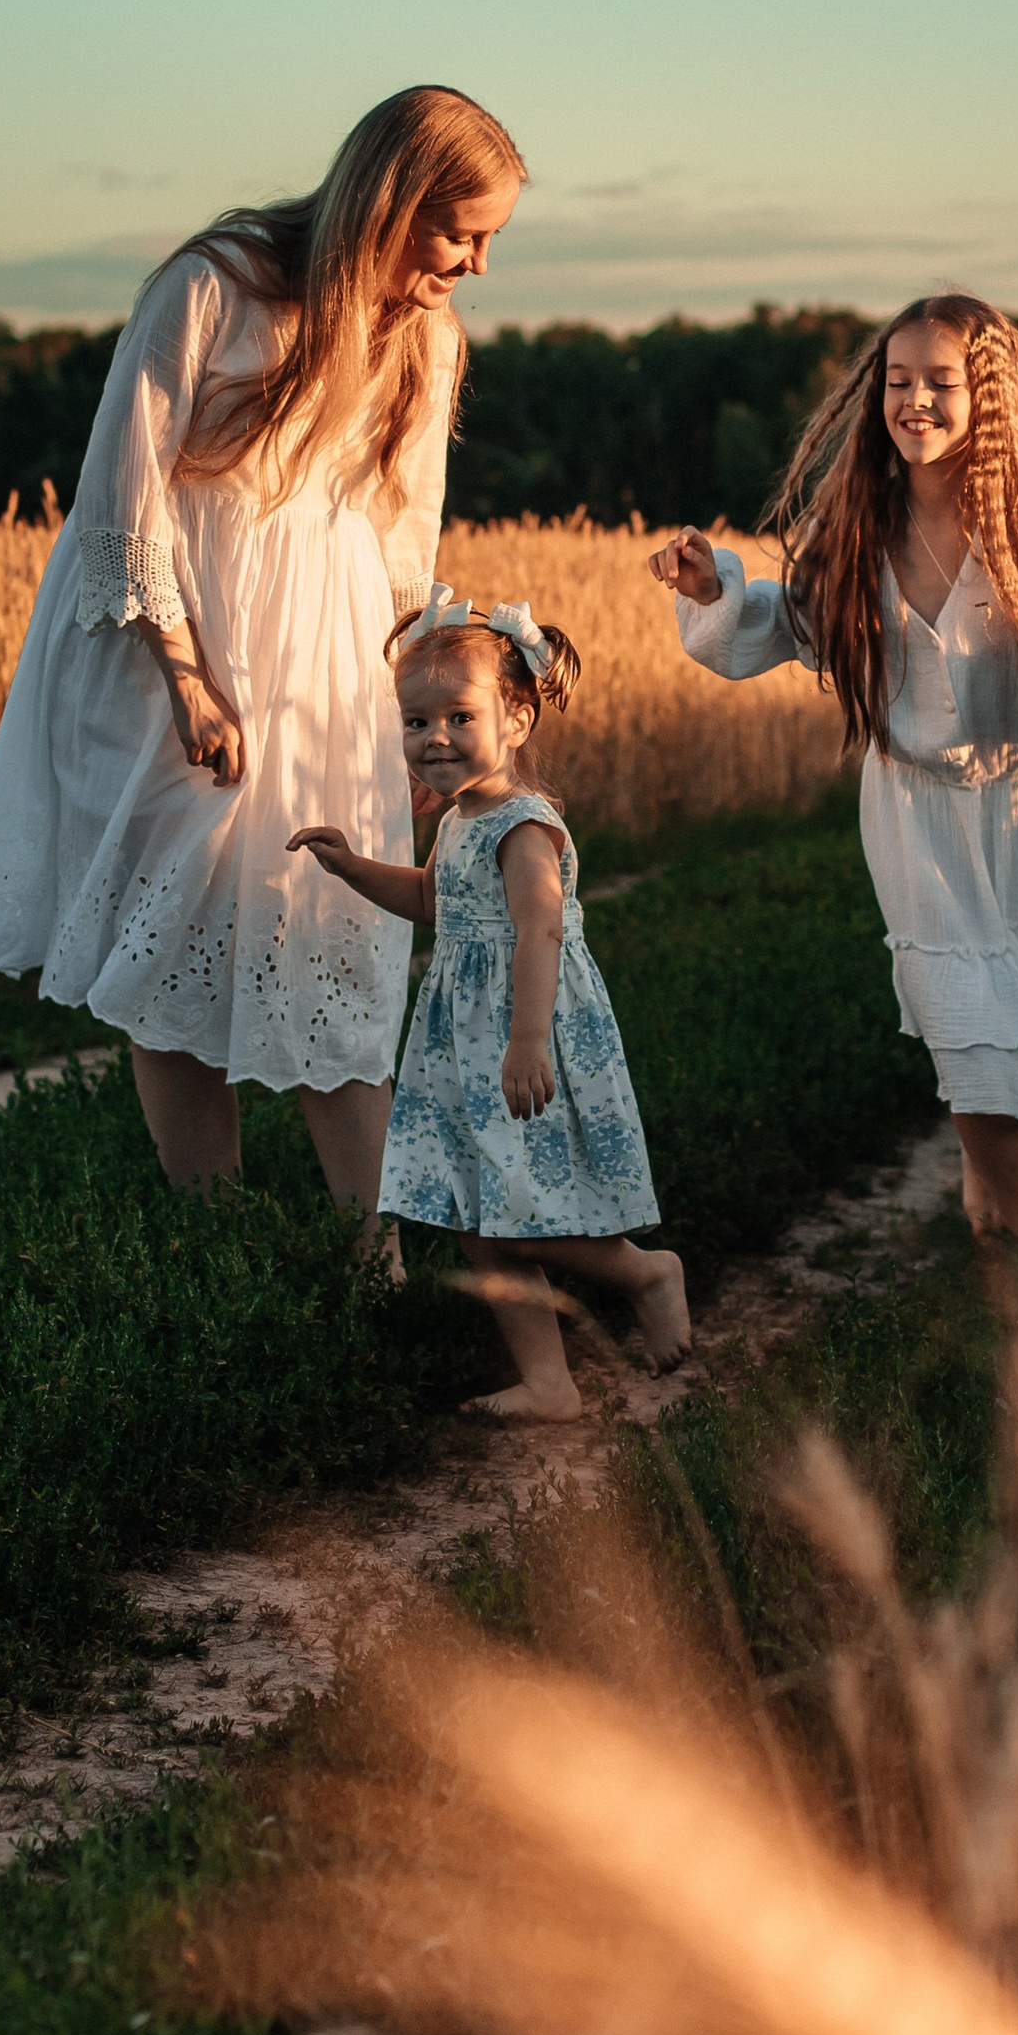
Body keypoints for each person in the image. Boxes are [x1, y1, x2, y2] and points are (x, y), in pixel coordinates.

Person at [0, 86, 523, 1227]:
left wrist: (409, 716)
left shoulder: (425, 340)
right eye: (461, 230)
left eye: (489, 239)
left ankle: (376, 1254)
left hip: (325, 649)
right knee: (177, 928)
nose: (475, 263)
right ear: (391, 201)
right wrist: (183, 674)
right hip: (174, 638)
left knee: (330, 926)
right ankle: (214, 1235)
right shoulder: (211, 286)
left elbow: (407, 542)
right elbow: (125, 482)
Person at [650, 295, 1018, 1243]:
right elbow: (787, 627)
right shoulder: (857, 534)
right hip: (916, 827)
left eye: (939, 383)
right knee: (979, 1073)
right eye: (897, 383)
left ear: (989, 398)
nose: (914, 402)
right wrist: (712, 591)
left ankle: (995, 1245)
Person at [291, 588, 688, 1422]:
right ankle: (549, 1379)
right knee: (477, 1212)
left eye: (458, 717)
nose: (434, 737)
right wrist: (352, 866)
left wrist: (527, 1041)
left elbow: (539, 931)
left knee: (516, 1213)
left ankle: (647, 1272)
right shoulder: (459, 820)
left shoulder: (521, 826)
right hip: (465, 1041)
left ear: (515, 718)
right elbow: (436, 903)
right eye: (416, 721)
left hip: (520, 1037)